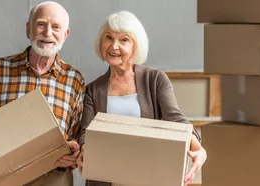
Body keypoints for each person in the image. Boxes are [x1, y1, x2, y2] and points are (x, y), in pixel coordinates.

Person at [0, 1, 84, 185]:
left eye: (55, 27)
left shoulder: (74, 79)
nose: (48, 33)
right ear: (29, 29)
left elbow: (76, 133)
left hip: (53, 177)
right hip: (4, 176)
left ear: (65, 35)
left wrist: (74, 153)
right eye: (41, 24)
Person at [75, 11, 207, 186]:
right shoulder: (93, 89)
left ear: (135, 46)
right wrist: (84, 151)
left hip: (146, 177)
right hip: (104, 179)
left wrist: (198, 149)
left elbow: (175, 118)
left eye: (124, 40)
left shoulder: (155, 79)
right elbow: (86, 132)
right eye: (108, 38)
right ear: (101, 42)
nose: (114, 46)